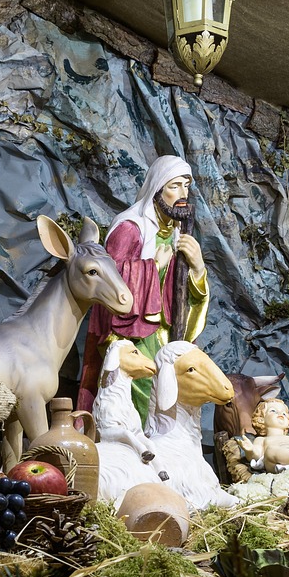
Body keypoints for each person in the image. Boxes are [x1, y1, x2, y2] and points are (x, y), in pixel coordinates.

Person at [78, 155, 209, 424]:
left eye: (186, 186)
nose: (183, 195)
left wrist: (197, 269)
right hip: (132, 333)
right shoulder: (130, 228)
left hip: (165, 332)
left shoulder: (177, 233)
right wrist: (152, 266)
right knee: (148, 386)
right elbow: (110, 279)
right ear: (158, 189)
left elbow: (183, 294)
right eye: (175, 186)